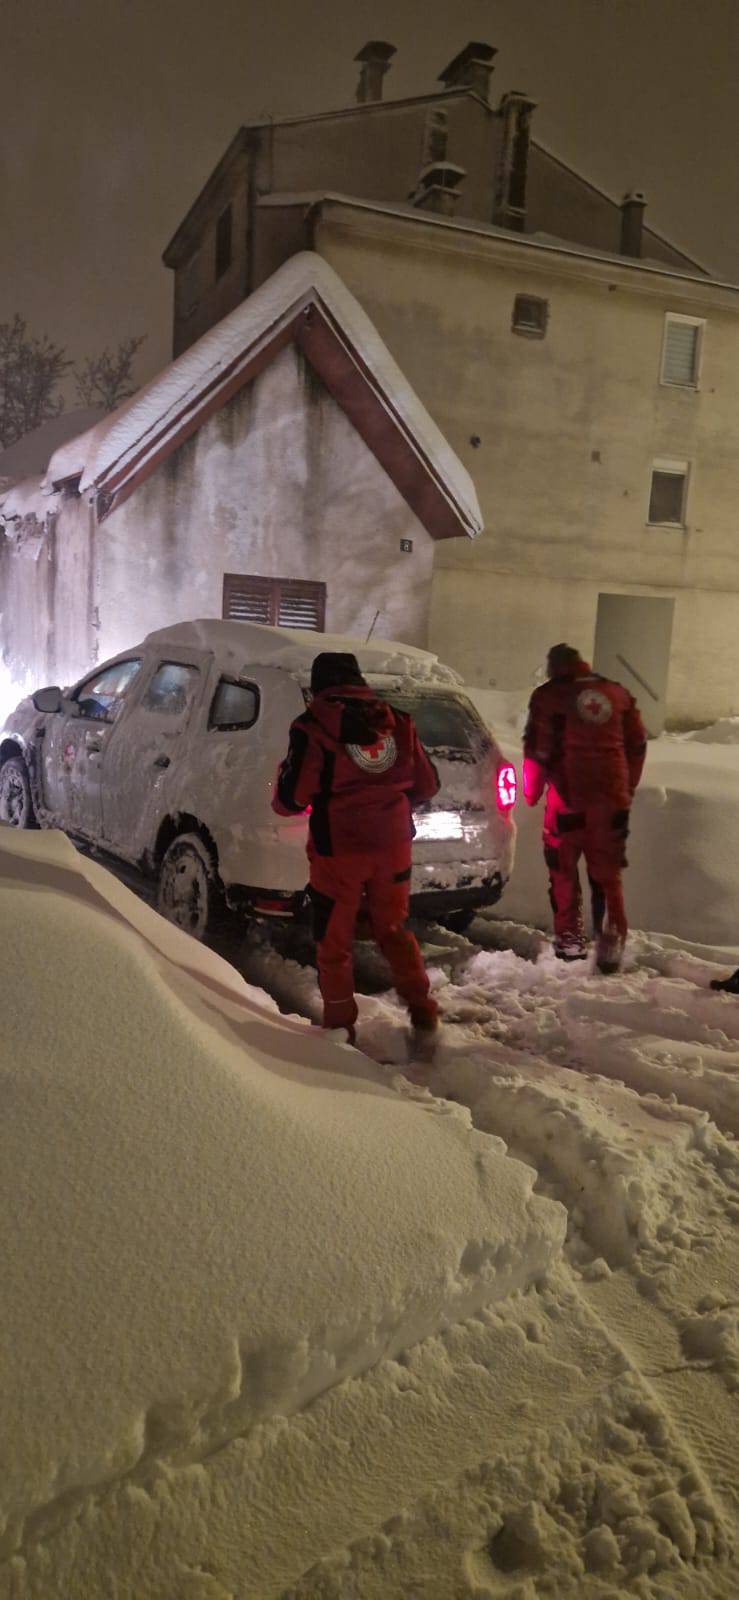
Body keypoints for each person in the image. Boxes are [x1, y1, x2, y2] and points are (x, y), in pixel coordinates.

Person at [272, 650, 441, 1048]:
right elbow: (427, 785)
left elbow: (292, 799)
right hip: (393, 846)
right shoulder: (399, 721)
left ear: (319, 686)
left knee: (334, 942)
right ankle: (423, 1012)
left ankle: (339, 1029)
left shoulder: (312, 726)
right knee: (394, 929)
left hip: (339, 850)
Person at [522, 643, 647, 973]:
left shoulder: (549, 697)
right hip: (612, 803)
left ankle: (570, 938)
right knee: (609, 874)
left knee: (562, 868)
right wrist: (626, 787)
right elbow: (637, 745)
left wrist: (531, 793)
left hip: (568, 801)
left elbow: (537, 749)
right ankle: (612, 937)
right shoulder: (616, 693)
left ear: (554, 668)